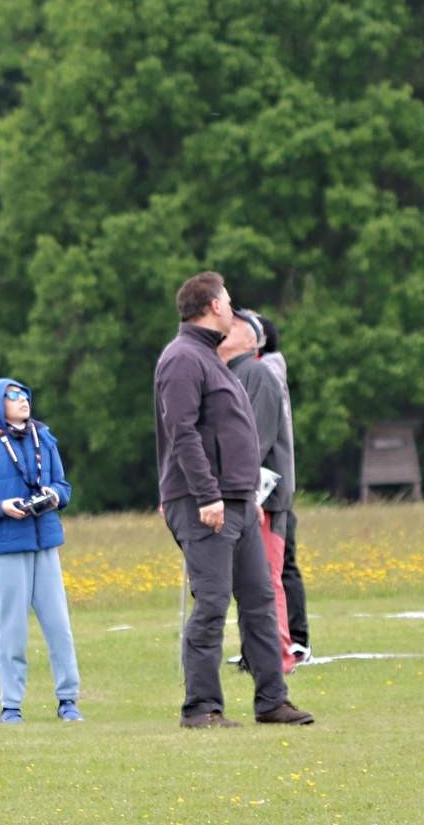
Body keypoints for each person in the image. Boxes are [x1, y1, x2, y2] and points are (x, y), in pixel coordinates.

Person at [154, 272, 314, 728]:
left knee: (259, 599)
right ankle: (201, 707)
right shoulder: (182, 358)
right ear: (214, 306)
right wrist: (208, 495)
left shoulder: (210, 358)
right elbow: (182, 432)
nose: (232, 306)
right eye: (227, 299)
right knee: (211, 602)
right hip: (205, 503)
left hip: (239, 501)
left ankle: (272, 701)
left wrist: (244, 495)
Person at [0, 377, 82, 724]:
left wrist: (54, 495)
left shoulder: (45, 438)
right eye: (12, 396)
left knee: (59, 626)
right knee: (12, 630)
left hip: (46, 543)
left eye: (24, 394)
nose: (23, 400)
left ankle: (68, 699)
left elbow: (63, 486)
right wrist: (0, 508)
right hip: (8, 547)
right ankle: (11, 705)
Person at [225, 310, 301, 674]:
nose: (225, 329)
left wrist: (234, 485)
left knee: (267, 577)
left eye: (235, 326)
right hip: (246, 492)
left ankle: (280, 656)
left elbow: (255, 440)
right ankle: (258, 654)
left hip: (263, 496)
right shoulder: (236, 373)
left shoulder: (259, 375)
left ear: (252, 340)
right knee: (251, 580)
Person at [255, 313, 310, 663]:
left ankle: (296, 640)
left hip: (271, 487)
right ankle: (274, 643)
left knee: (280, 566)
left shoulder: (266, 374)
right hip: (271, 485)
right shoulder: (264, 372)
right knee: (272, 568)